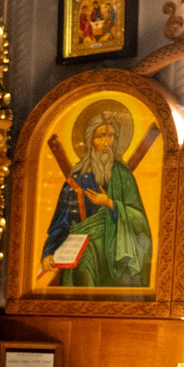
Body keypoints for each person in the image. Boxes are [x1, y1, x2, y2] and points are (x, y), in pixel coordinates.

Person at [41, 108, 152, 289]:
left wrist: (109, 203)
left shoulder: (123, 176)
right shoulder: (75, 183)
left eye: (111, 136)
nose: (107, 142)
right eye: (101, 136)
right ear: (90, 142)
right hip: (84, 251)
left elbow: (139, 220)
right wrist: (48, 253)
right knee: (85, 265)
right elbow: (61, 223)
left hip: (118, 252)